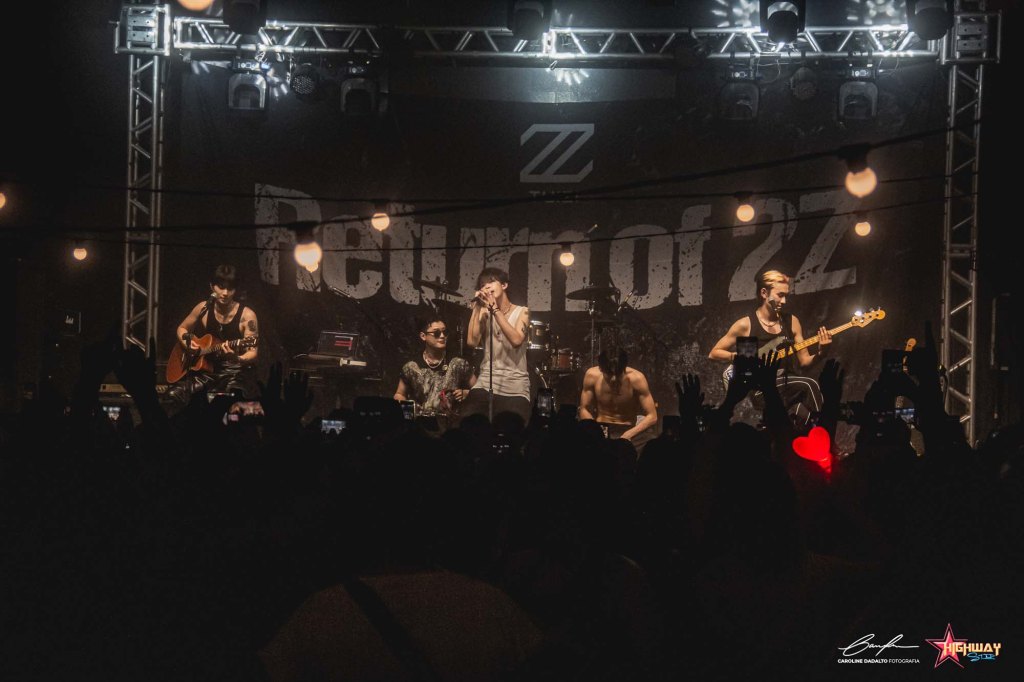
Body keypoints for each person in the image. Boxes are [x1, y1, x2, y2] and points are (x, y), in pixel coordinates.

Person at [708, 269, 831, 424]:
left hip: (788, 386)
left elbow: (804, 362)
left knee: (804, 420)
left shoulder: (791, 322)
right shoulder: (746, 325)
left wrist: (821, 353)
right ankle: (827, 432)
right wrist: (740, 358)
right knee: (809, 385)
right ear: (764, 293)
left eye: (786, 296)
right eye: (780, 295)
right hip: (761, 389)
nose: (784, 301)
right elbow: (714, 353)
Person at [167, 264, 259, 405]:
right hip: (207, 371)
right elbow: (182, 328)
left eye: (230, 288)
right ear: (212, 287)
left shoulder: (247, 315)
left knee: (228, 399)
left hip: (234, 373)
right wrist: (187, 344)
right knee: (174, 394)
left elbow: (253, 352)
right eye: (221, 287)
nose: (225, 293)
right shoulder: (203, 308)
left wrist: (237, 358)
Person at [462, 267, 532, 423]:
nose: (486, 287)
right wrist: (477, 308)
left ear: (504, 285)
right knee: (468, 422)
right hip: (485, 382)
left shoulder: (523, 312)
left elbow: (516, 340)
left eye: (491, 282)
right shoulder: (484, 313)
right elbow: (472, 342)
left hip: (515, 387)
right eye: (482, 285)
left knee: (512, 428)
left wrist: (495, 309)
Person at [578, 346, 659, 453]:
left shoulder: (637, 379)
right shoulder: (592, 375)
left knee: (653, 444)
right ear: (601, 369)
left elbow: (652, 416)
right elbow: (584, 409)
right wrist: (595, 431)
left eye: (618, 374)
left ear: (624, 368)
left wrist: (628, 435)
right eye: (609, 374)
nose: (614, 379)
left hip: (628, 429)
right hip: (601, 429)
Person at [394, 315, 476, 417]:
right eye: (436, 333)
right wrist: (409, 412)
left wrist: (467, 393)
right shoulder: (411, 366)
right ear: (423, 336)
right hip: (419, 422)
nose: (442, 336)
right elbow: (399, 394)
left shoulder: (458, 363)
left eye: (445, 332)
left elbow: (478, 390)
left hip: (450, 422)